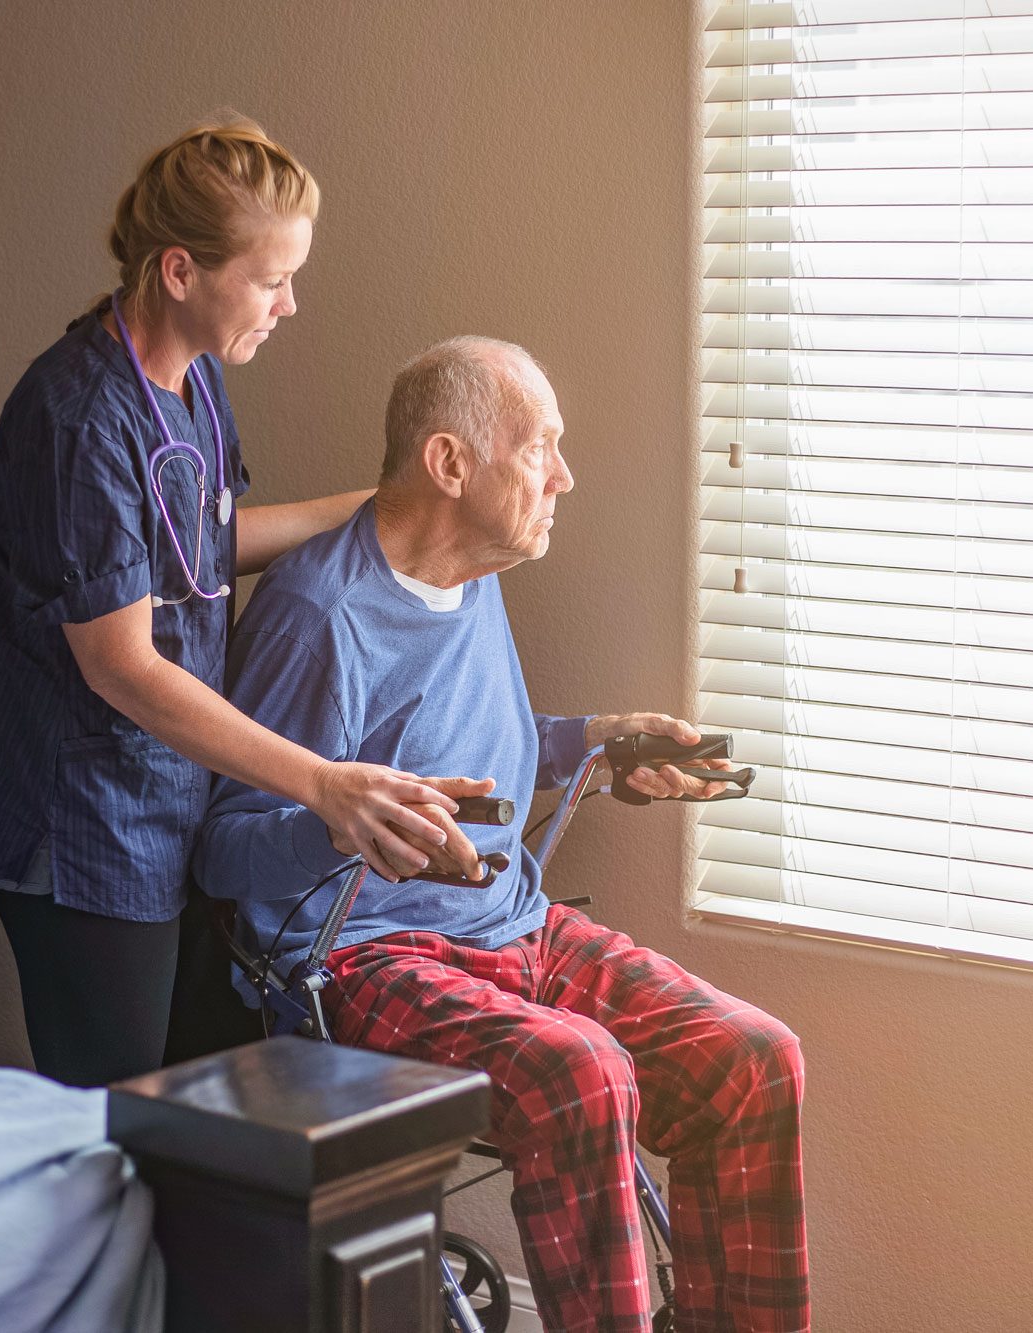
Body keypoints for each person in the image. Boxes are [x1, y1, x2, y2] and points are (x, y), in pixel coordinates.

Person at [194, 337, 810, 1333]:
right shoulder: (319, 613)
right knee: (582, 1071)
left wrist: (596, 746)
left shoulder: (473, 572)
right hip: (360, 959)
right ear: (449, 466)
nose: (562, 477)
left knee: (751, 1058)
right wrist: (351, 827)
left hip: (509, 923)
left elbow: (475, 748)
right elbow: (223, 852)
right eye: (539, 450)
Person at [0, 117, 483, 1089]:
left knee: (205, 1098)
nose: (289, 304)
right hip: (81, 814)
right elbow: (123, 665)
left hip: (169, 789)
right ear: (180, 270)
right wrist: (322, 781)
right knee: (122, 1116)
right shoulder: (75, 421)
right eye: (270, 279)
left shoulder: (193, 380)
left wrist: (386, 505)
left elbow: (193, 550)